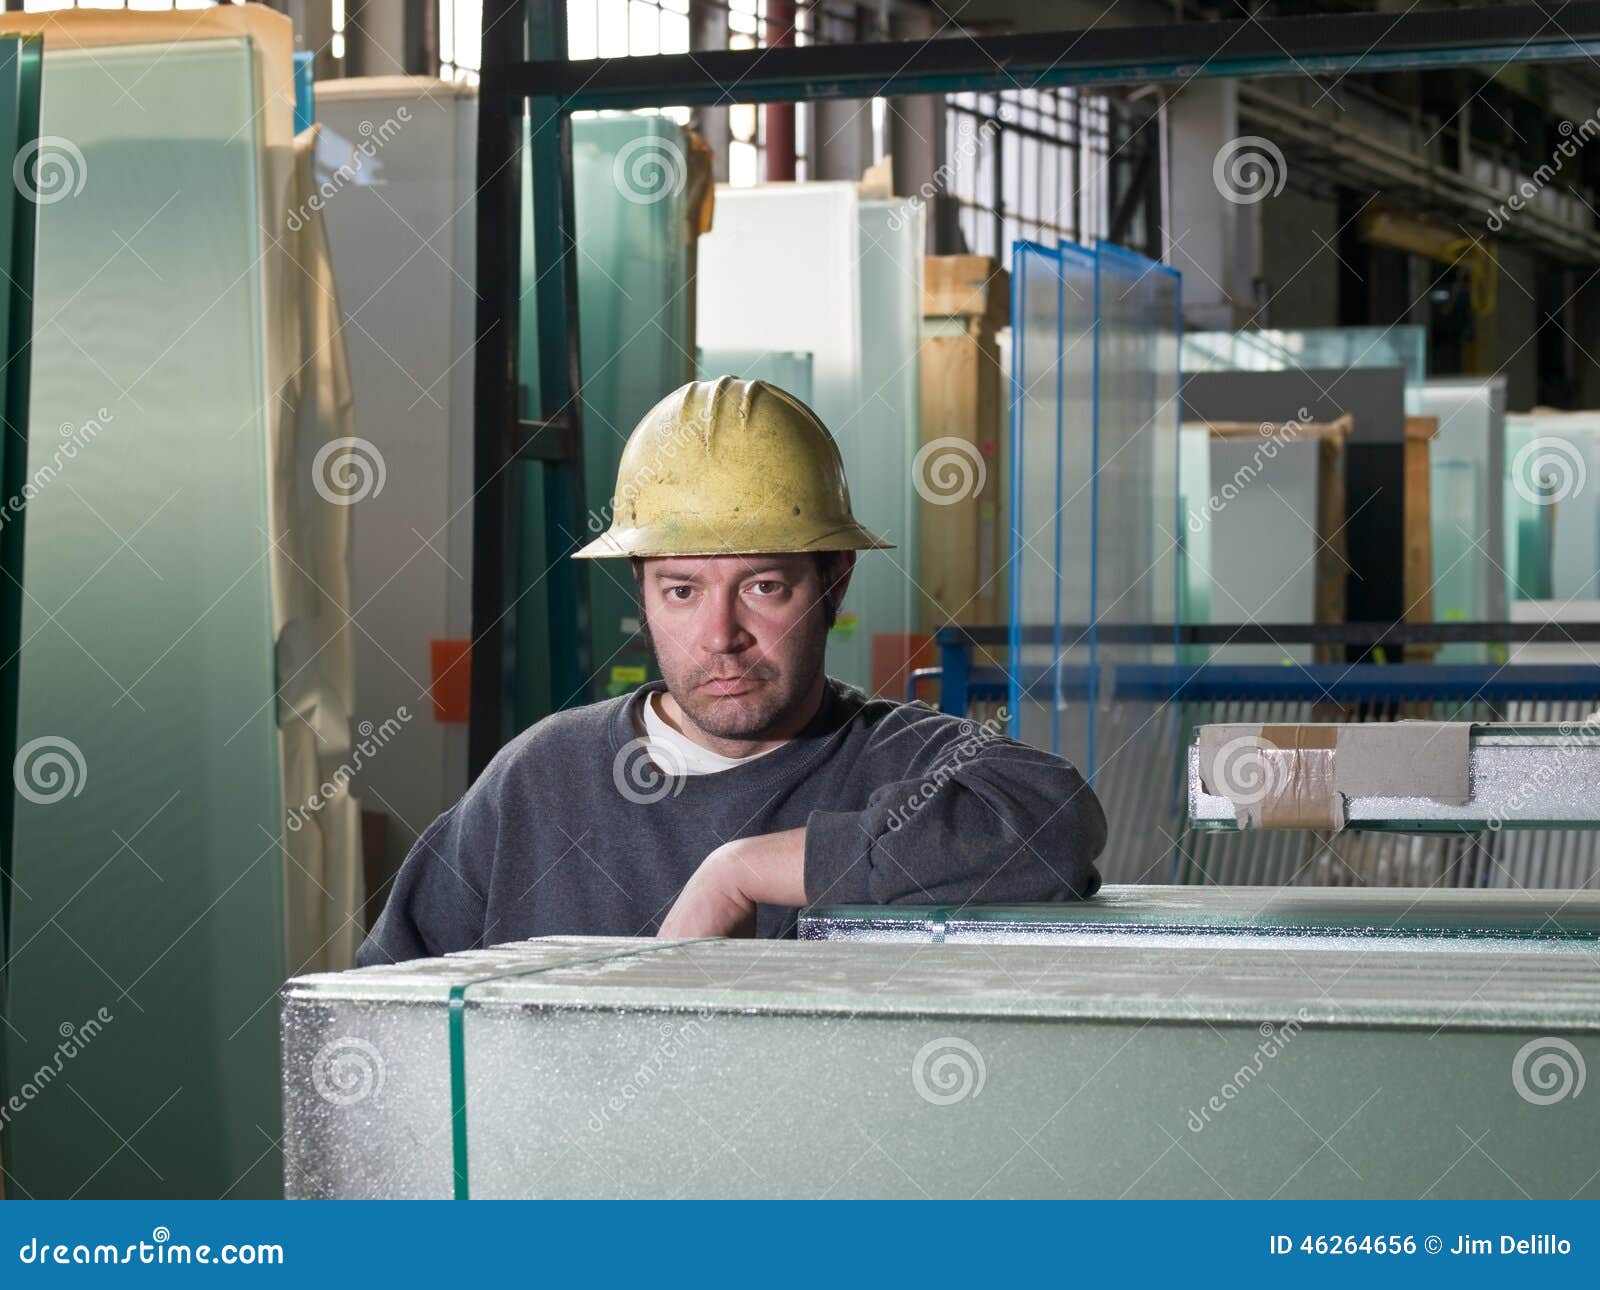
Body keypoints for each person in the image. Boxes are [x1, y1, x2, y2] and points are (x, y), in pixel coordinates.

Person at [356, 377, 1104, 963]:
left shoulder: (899, 760)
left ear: (835, 584)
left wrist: (740, 870)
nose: (720, 637)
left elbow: (1057, 822)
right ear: (643, 592)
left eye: (763, 587)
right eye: (682, 591)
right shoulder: (540, 781)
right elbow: (385, 1005)